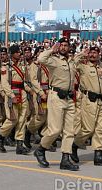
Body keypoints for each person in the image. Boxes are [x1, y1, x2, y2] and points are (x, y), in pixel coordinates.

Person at [34, 38, 79, 171]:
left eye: (66, 45)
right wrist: (51, 50)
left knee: (69, 131)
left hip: (69, 97)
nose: (64, 47)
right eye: (62, 45)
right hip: (56, 97)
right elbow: (41, 59)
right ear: (59, 47)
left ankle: (65, 159)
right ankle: (41, 149)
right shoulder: (53, 60)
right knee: (55, 130)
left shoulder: (71, 61)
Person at [71, 46, 102, 166]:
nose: (93, 55)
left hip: (100, 101)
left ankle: (98, 154)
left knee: (99, 129)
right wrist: (83, 53)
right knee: (88, 129)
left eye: (95, 53)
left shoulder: (100, 69)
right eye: (91, 53)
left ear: (99, 55)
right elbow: (73, 63)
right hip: (88, 100)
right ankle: (74, 145)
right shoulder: (83, 66)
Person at [0, 45, 31, 155]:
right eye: (17, 52)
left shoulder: (22, 66)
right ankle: (1, 136)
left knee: (22, 119)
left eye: (19, 52)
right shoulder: (6, 67)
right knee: (12, 119)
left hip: (22, 93)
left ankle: (19, 145)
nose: (19, 54)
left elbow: (24, 81)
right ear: (12, 54)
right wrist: (11, 96)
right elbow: (5, 83)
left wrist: (30, 90)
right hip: (12, 94)